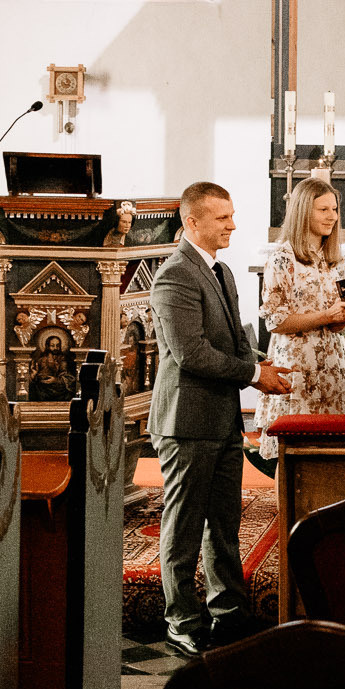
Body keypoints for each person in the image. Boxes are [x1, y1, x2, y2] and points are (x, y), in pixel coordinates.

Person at [148, 181, 291, 657]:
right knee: (184, 528)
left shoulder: (221, 270)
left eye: (231, 215)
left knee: (225, 525)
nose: (233, 224)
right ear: (192, 222)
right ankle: (180, 620)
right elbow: (190, 353)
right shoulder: (174, 276)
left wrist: (261, 363)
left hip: (222, 418)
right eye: (222, 217)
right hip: (186, 421)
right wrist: (253, 375)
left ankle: (229, 613)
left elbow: (231, 341)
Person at [255, 173, 345, 457]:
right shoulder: (282, 259)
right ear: (302, 211)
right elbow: (275, 321)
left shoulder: (334, 259)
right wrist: (327, 316)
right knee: (294, 453)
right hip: (298, 366)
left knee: (334, 453)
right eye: (323, 209)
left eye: (334, 209)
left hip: (332, 366)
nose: (332, 216)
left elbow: (340, 318)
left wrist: (343, 319)